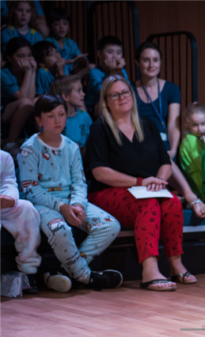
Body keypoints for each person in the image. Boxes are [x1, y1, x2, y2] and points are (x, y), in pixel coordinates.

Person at [87, 75, 197, 292]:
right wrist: (139, 182)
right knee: (148, 205)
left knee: (173, 203)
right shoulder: (99, 128)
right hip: (108, 192)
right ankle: (149, 270)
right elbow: (99, 173)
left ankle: (175, 264)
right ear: (106, 101)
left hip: (146, 188)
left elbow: (165, 163)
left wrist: (159, 181)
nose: (121, 98)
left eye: (125, 92)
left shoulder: (148, 125)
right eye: (114, 95)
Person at [18, 95, 123, 293]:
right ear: (39, 120)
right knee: (60, 229)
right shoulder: (29, 149)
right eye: (50, 116)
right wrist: (62, 207)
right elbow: (31, 190)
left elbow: (79, 182)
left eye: (61, 114)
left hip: (71, 202)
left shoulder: (72, 147)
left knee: (110, 225)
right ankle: (87, 277)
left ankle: (64, 271)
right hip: (44, 205)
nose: (57, 120)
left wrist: (78, 205)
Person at [132, 42, 205, 218]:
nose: (151, 65)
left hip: (164, 142)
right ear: (137, 63)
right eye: (146, 60)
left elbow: (173, 125)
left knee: (165, 155)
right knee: (159, 155)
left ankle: (182, 195)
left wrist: (173, 149)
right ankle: (189, 196)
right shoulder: (130, 89)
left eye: (155, 60)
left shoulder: (171, 88)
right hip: (140, 143)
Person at [0, 149, 43, 294]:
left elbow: (9, 183)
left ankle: (28, 272)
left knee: (26, 208)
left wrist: (10, 199)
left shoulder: (4, 157)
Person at [1, 37, 37, 159]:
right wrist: (28, 72)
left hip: (22, 109)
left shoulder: (27, 71)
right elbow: (21, 97)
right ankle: (10, 144)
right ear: (10, 58)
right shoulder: (4, 73)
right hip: (4, 112)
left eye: (29, 55)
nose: (26, 60)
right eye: (20, 56)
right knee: (26, 101)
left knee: (36, 101)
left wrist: (32, 71)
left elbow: (30, 97)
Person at [85, 36, 129, 118]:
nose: (115, 56)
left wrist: (119, 71)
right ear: (99, 54)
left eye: (118, 53)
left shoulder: (122, 71)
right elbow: (106, 92)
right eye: (110, 52)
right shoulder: (95, 72)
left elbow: (128, 89)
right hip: (95, 111)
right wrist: (112, 72)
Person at [50, 75, 92, 151]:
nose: (83, 94)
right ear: (66, 97)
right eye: (79, 91)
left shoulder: (85, 117)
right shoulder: (54, 121)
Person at [178, 102, 205, 199]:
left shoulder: (200, 139)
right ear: (187, 124)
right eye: (195, 125)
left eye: (203, 124)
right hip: (202, 189)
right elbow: (204, 166)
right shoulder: (190, 141)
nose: (200, 129)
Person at [45, 8, 88, 73]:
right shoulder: (48, 41)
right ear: (50, 27)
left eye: (65, 24)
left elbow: (80, 58)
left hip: (70, 72)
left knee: (91, 67)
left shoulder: (71, 43)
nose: (61, 27)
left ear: (69, 27)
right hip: (54, 71)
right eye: (57, 24)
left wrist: (82, 60)